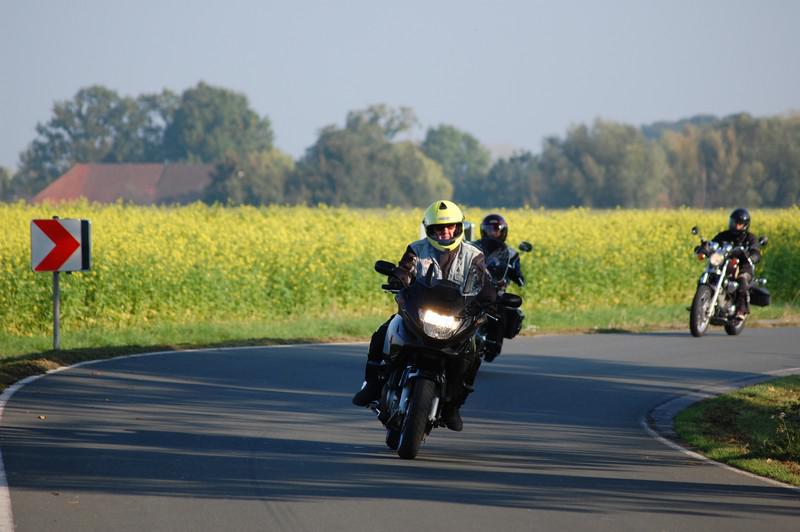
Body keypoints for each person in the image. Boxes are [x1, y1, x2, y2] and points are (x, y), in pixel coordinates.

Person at [351, 200, 496, 432]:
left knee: (474, 351)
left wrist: (491, 298)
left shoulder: (474, 255)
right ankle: (373, 386)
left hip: (457, 316)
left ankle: (453, 406)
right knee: (382, 332)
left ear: (459, 227)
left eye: (450, 226)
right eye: (439, 228)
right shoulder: (417, 249)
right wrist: (397, 278)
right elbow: (405, 269)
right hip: (419, 309)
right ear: (429, 229)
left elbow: (484, 282)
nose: (445, 232)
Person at [473, 214, 525, 361]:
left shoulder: (511, 254)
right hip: (474, 286)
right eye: (489, 229)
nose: (493, 233)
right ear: (483, 230)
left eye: (496, 229)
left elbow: (518, 274)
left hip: (496, 289)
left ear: (503, 231)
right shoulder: (474, 247)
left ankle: (494, 344)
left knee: (500, 311)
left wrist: (518, 277)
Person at [708, 208, 762, 320]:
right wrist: (705, 248)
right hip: (725, 263)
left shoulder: (750, 238)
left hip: (743, 265)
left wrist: (753, 256)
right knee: (711, 275)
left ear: (745, 225)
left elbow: (756, 251)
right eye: (733, 222)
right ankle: (701, 303)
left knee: (742, 279)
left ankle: (741, 309)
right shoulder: (724, 235)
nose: (735, 225)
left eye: (739, 223)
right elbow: (712, 244)